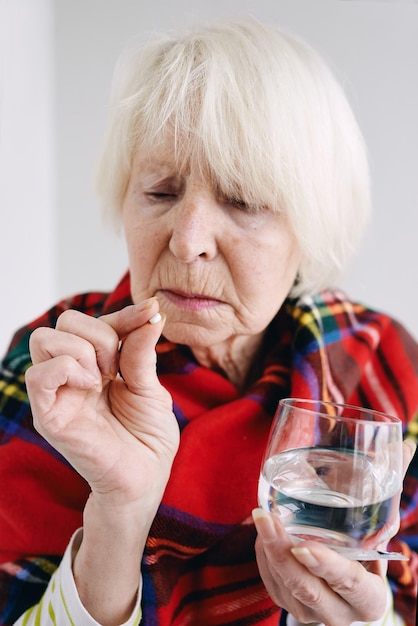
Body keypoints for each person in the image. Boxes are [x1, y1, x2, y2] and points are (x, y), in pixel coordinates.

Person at [0, 17, 417, 626]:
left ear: (313, 227)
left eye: (244, 200)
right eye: (161, 192)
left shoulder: (380, 362)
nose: (189, 240)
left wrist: (365, 620)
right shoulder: (58, 365)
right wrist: (120, 509)